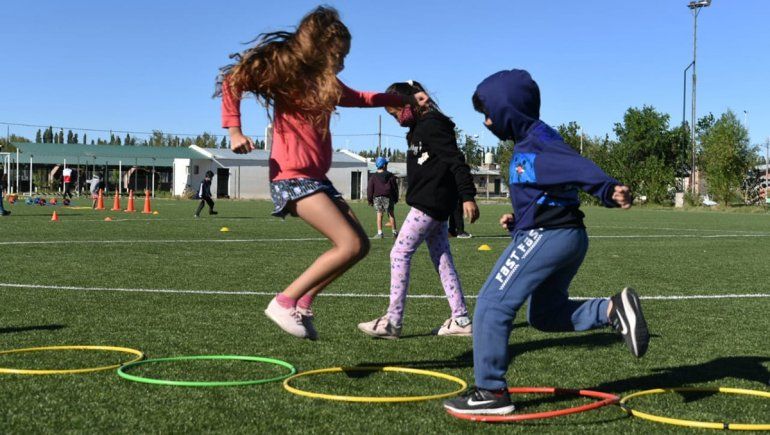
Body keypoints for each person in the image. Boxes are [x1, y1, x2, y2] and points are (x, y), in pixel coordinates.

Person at [444, 69, 649, 415]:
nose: (487, 122)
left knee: (492, 306)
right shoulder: (531, 142)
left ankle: (491, 391)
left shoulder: (539, 145)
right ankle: (612, 309)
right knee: (545, 314)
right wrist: (518, 219)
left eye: (489, 113)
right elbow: (546, 191)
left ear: (510, 110)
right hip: (561, 235)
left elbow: (576, 166)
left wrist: (607, 189)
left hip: (549, 236)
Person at [217, 6, 428, 340]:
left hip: (316, 179)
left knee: (359, 246)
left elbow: (361, 97)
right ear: (320, 50)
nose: (343, 62)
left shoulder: (327, 85)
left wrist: (402, 99)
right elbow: (233, 80)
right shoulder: (288, 74)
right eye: (339, 55)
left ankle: (303, 302)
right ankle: (283, 301)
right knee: (346, 244)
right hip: (292, 176)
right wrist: (234, 131)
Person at [358, 81, 479, 339]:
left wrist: (468, 196)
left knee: (399, 254)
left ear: (409, 103)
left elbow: (456, 161)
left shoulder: (433, 125)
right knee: (443, 260)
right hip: (433, 206)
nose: (396, 119)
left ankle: (393, 320)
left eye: (395, 112)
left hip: (429, 204)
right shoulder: (417, 128)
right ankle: (461, 319)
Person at [367, 156, 399, 238]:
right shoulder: (391, 176)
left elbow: (370, 189)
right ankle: (394, 232)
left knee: (379, 214)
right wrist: (396, 198)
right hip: (388, 197)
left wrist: (370, 200)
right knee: (391, 213)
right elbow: (395, 188)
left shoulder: (373, 177)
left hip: (377, 198)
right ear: (384, 165)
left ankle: (380, 233)